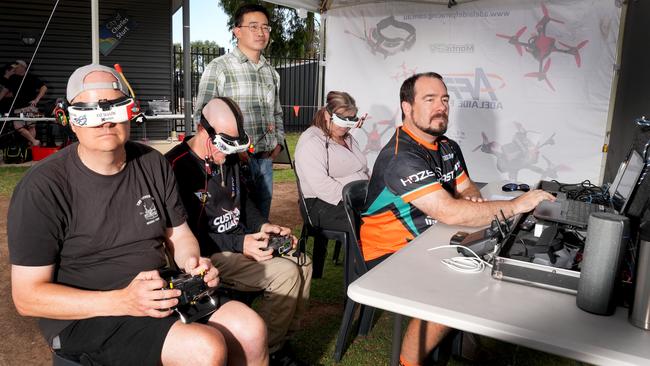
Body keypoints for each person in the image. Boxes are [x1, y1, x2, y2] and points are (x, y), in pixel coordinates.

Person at [7, 64, 268, 366]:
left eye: (114, 107)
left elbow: (180, 235)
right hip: (88, 311)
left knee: (251, 330)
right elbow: (27, 297)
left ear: (130, 111)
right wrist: (122, 300)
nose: (105, 121)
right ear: (70, 120)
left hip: (158, 290)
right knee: (204, 348)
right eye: (90, 111)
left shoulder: (152, 163)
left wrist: (193, 263)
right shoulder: (42, 186)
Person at [360, 72, 555, 366]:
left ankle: (460, 344)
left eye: (445, 99)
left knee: (492, 261)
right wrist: (515, 205)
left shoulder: (447, 146)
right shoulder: (400, 157)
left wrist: (472, 204)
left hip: (432, 237)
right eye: (430, 99)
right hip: (389, 252)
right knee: (452, 290)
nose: (441, 106)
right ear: (407, 108)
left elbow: (467, 188)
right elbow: (449, 211)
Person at [166, 97, 312, 366]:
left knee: (303, 262)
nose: (228, 153)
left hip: (241, 241)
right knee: (285, 273)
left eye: (234, 145)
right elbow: (185, 237)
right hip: (210, 253)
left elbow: (244, 203)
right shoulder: (175, 167)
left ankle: (279, 343)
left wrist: (262, 226)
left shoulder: (229, 158)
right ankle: (264, 350)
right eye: (223, 145)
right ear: (202, 129)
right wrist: (239, 243)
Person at [194, 4, 283, 219]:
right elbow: (201, 116)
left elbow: (277, 112)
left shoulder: (271, 73)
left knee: (260, 221)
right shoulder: (219, 67)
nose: (261, 33)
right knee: (233, 220)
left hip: (264, 161)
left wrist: (278, 143)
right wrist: (229, 150)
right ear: (237, 31)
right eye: (253, 26)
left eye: (265, 27)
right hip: (232, 162)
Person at [294, 91, 369, 275]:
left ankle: (373, 270)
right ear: (328, 115)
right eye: (343, 120)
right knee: (367, 223)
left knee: (384, 215)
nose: (347, 126)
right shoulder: (311, 141)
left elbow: (362, 168)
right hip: (321, 205)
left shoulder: (347, 137)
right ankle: (356, 282)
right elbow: (322, 186)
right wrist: (356, 200)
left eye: (351, 120)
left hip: (355, 199)